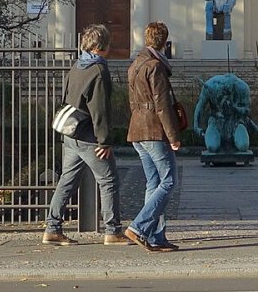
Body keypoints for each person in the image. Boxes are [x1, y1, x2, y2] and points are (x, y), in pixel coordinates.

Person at [43, 23, 130, 245]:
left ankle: (52, 228)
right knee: (109, 180)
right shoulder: (98, 71)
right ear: (102, 46)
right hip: (89, 136)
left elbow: (66, 96)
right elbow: (99, 109)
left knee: (67, 180)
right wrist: (105, 141)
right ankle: (112, 231)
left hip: (70, 133)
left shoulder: (77, 65)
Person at [126, 21, 183, 251]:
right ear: (164, 41)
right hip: (153, 130)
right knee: (169, 180)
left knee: (154, 183)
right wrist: (173, 136)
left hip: (137, 130)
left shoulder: (135, 65)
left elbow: (131, 103)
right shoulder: (155, 66)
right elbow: (162, 105)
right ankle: (139, 228)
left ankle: (156, 237)